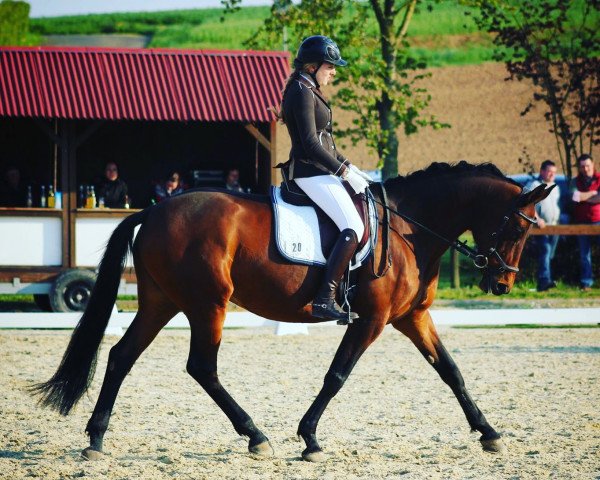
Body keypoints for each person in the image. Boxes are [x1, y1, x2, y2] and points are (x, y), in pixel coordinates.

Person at [280, 35, 372, 322]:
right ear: (311, 66)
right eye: (330, 66)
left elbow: (327, 144)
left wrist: (351, 167)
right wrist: (342, 172)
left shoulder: (309, 88)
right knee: (353, 225)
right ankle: (324, 298)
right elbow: (309, 144)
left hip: (320, 171)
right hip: (309, 173)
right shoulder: (301, 90)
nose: (334, 71)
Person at [526, 160, 561, 291]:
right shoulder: (534, 185)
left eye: (554, 172)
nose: (552, 174)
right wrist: (537, 218)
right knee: (545, 250)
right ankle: (544, 281)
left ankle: (546, 280)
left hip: (555, 227)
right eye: (549, 171)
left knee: (549, 254)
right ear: (542, 171)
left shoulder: (556, 187)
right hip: (539, 227)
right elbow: (527, 204)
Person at [571, 154, 600, 291]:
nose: (585, 168)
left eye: (588, 165)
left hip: (598, 221)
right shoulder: (575, 181)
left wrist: (583, 196)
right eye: (582, 166)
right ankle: (586, 282)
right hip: (581, 222)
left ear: (593, 164)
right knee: (584, 255)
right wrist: (592, 194)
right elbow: (574, 197)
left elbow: (598, 198)